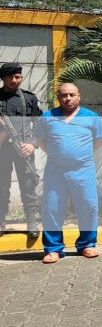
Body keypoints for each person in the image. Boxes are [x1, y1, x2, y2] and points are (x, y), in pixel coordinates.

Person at [36, 83, 102, 263]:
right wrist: (59, 156)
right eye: (64, 95)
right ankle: (53, 249)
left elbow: (98, 142)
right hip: (55, 171)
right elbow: (41, 142)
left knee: (88, 206)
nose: (68, 98)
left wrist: (78, 156)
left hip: (83, 170)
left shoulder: (91, 117)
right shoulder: (47, 117)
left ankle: (87, 245)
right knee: (52, 209)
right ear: (58, 97)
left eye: (72, 95)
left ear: (79, 96)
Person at [0, 62, 42, 238]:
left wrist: (32, 144)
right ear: (3, 78)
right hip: (2, 151)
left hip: (23, 149)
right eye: (10, 77)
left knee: (28, 186)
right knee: (1, 187)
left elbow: (41, 125)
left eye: (17, 77)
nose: (14, 80)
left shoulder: (29, 99)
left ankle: (32, 221)